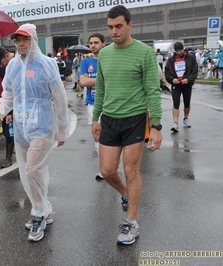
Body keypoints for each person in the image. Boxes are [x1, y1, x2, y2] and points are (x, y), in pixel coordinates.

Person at [91, 5, 162, 245]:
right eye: (110, 27)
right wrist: (95, 118)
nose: (113, 31)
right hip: (109, 120)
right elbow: (100, 88)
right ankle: (124, 194)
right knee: (108, 170)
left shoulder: (144, 53)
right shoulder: (105, 54)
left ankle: (131, 223)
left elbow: (153, 91)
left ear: (130, 25)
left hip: (135, 119)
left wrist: (157, 126)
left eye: (118, 26)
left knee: (131, 170)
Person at [0, 23, 69, 242]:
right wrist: (0, 112)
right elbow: (8, 94)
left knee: (33, 169)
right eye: (17, 40)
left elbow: (60, 97)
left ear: (33, 40)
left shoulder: (47, 64)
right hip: (21, 127)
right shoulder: (13, 66)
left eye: (25, 39)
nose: (21, 44)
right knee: (28, 172)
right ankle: (44, 207)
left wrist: (62, 129)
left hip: (43, 125)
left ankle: (38, 214)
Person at [79, 33, 106, 179]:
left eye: (96, 42)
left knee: (111, 135)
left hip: (110, 104)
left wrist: (92, 80)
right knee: (96, 135)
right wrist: (100, 80)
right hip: (92, 104)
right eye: (91, 43)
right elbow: (83, 82)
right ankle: (103, 167)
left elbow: (111, 79)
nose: (93, 45)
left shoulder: (108, 59)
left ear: (103, 43)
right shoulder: (85, 62)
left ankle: (113, 164)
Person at [165, 41, 198, 133]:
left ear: (183, 49)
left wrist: (188, 79)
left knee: (187, 102)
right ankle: (175, 123)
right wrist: (172, 80)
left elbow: (194, 70)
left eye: (180, 50)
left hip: (186, 84)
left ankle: (186, 118)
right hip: (176, 84)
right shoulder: (171, 60)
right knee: (176, 103)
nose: (178, 52)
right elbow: (167, 73)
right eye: (177, 51)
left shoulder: (190, 58)